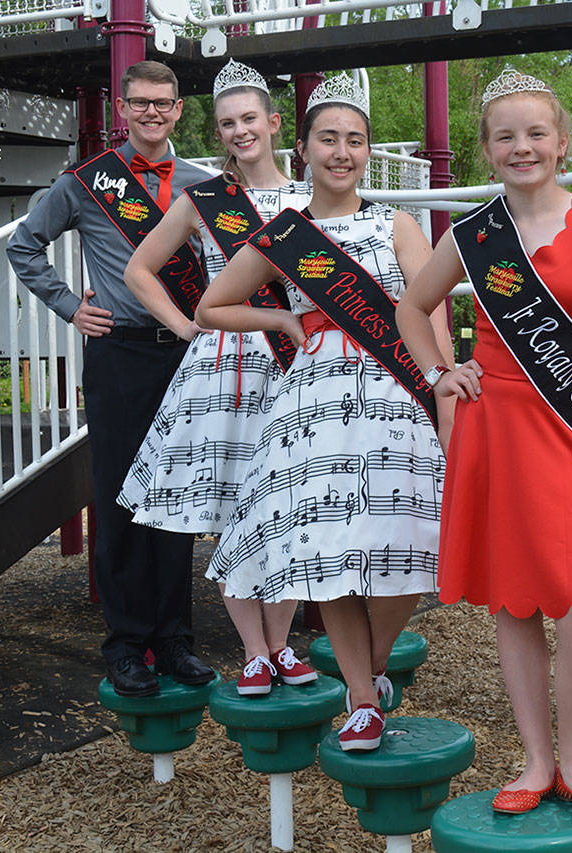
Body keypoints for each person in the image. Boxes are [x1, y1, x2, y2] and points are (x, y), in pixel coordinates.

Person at [396, 67, 572, 821]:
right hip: (496, 432)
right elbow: (412, 308)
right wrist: (440, 372)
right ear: (488, 150)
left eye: (536, 133)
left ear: (562, 142)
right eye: (506, 136)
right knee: (514, 602)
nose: (523, 147)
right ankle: (536, 760)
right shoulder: (475, 235)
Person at [195, 73, 454, 747]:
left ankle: (371, 666)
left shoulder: (396, 223)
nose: (343, 152)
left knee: (409, 539)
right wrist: (282, 317)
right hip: (315, 403)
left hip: (396, 391)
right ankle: (364, 699)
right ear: (303, 149)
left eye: (356, 141)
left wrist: (442, 382)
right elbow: (211, 306)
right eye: (329, 139)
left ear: (368, 151)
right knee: (326, 553)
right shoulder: (285, 234)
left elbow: (431, 311)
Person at [7, 60, 216, 697]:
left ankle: (174, 639)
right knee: (122, 495)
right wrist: (71, 306)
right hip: (119, 353)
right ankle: (126, 644)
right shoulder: (87, 183)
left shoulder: (203, 183)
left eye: (163, 103)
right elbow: (23, 245)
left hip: (186, 353)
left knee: (175, 495)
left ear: (178, 109)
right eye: (140, 103)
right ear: (123, 109)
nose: (152, 113)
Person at [118, 59, 317, 697]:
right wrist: (185, 326)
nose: (239, 131)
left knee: (287, 506)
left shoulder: (311, 198)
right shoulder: (203, 200)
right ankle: (254, 651)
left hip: (294, 361)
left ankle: (282, 645)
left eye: (249, 119)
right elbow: (139, 269)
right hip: (225, 366)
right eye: (227, 123)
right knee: (233, 507)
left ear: (274, 122)